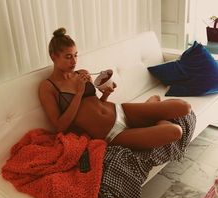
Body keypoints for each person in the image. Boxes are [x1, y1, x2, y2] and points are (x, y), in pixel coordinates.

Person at [39, 27, 192, 151]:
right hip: (112, 134)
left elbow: (95, 104)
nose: (74, 61)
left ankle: (149, 113)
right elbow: (60, 126)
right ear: (53, 57)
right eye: (68, 57)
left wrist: (105, 94)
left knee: (184, 107)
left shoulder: (82, 73)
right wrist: (79, 93)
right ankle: (151, 113)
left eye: (76, 55)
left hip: (121, 110)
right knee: (174, 131)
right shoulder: (48, 87)